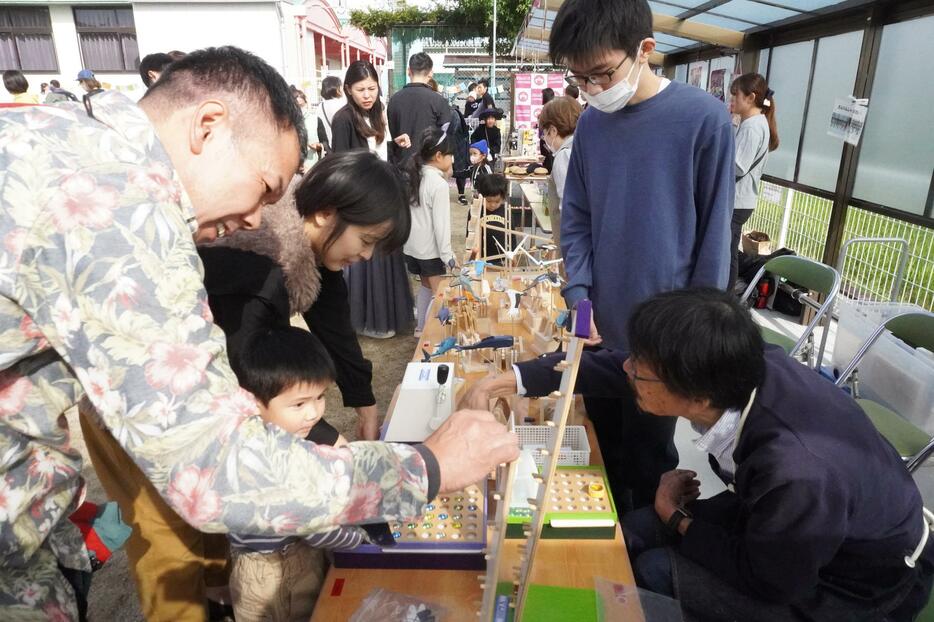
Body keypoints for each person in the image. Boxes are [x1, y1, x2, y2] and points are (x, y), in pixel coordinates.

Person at [0, 45, 519, 618]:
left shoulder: (68, 143)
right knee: (175, 552)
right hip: (115, 452)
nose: (254, 217)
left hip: (45, 499)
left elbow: (331, 323)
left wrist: (360, 399)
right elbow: (215, 462)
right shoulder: (116, 200)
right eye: (265, 186)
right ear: (209, 125)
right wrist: (425, 467)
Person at [463, 287, 934, 620]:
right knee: (631, 530)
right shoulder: (744, 365)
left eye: (641, 373)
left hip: (854, 587)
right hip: (791, 525)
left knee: (652, 567)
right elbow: (610, 367)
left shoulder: (797, 470)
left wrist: (678, 519)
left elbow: (773, 579)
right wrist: (505, 380)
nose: (627, 370)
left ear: (698, 396)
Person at [546, 0, 734, 513]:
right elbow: (577, 220)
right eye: (580, 78)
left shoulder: (703, 118)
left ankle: (646, 556)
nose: (593, 89)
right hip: (603, 327)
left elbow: (714, 238)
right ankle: (601, 546)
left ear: (644, 50)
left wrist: (693, 336)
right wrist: (579, 297)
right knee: (599, 439)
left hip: (667, 334)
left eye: (602, 73)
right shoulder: (590, 127)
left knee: (648, 453)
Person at [227, 327, 364, 622]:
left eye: (320, 397)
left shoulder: (279, 432)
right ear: (255, 402)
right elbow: (320, 530)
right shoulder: (267, 460)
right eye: (300, 404)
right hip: (273, 574)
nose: (314, 413)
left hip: (293, 554)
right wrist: (362, 538)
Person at [331, 60, 413, 339]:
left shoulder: (379, 113)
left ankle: (388, 315)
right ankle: (369, 321)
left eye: (372, 88)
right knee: (366, 260)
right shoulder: (343, 119)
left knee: (386, 256)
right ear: (348, 90)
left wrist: (395, 142)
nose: (367, 95)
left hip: (382, 193)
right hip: (360, 200)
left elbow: (378, 152)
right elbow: (339, 164)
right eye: (360, 89)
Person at [402, 127, 456, 336]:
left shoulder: (414, 175)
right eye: (450, 155)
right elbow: (441, 226)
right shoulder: (438, 184)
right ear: (439, 156)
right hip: (431, 251)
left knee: (425, 287)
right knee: (439, 293)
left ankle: (420, 328)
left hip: (412, 248)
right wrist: (448, 256)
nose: (452, 159)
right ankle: (433, 334)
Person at [729, 73, 779, 292]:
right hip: (742, 200)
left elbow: (738, 166)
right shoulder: (754, 123)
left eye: (735, 95)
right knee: (728, 249)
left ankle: (725, 295)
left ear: (750, 97)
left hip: (737, 201)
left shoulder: (752, 126)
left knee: (727, 252)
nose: (732, 99)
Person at [387, 52, 451, 165]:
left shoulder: (394, 100)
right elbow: (444, 138)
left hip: (401, 167)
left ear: (408, 71)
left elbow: (394, 133)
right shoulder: (439, 101)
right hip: (429, 167)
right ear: (431, 73)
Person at [538, 96, 582, 249]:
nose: (544, 138)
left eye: (544, 133)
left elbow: (568, 206)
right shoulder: (582, 145)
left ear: (553, 130)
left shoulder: (564, 155)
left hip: (574, 245)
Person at [470, 173, 509, 264]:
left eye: (497, 201)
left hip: (501, 261)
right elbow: (470, 236)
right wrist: (472, 255)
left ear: (503, 198)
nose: (492, 204)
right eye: (488, 200)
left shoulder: (506, 212)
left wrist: (513, 257)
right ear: (481, 196)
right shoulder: (476, 211)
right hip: (480, 259)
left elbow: (512, 239)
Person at [291, 86, 322, 170]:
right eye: (297, 106)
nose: (300, 109)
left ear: (306, 103)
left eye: (302, 105)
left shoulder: (315, 119)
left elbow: (324, 142)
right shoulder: (286, 123)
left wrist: (319, 146)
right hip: (292, 169)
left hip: (313, 166)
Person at [315, 75, 344, 155]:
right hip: (344, 146)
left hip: (329, 148)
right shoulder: (343, 104)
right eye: (341, 86)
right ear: (337, 88)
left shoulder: (320, 107)